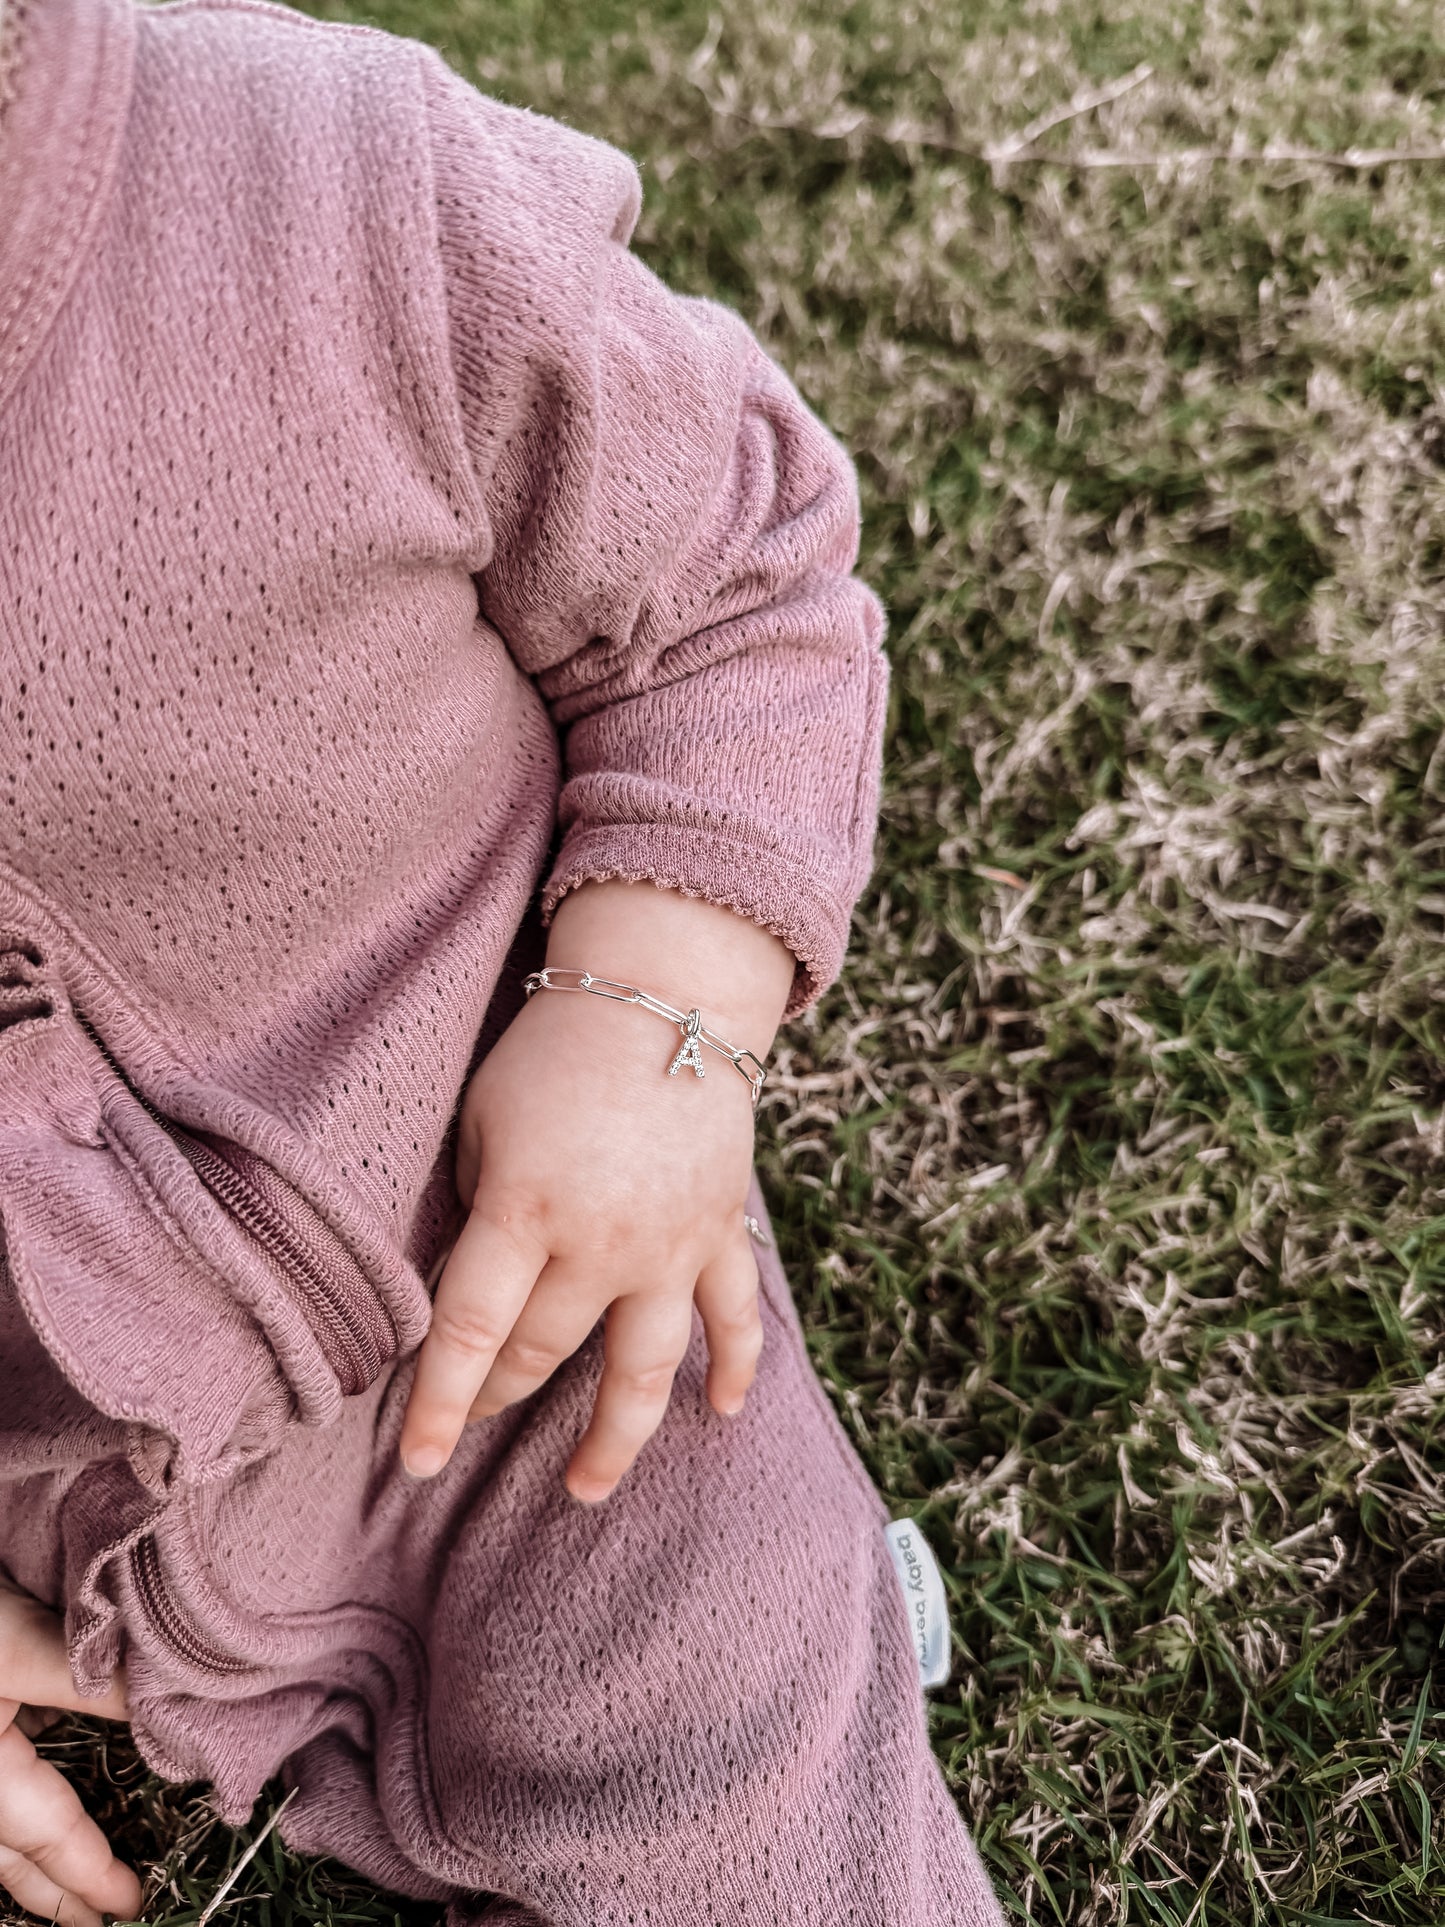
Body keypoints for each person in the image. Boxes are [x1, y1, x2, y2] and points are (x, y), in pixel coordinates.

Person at [0, 0, 1008, 1920]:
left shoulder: (326, 183)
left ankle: (809, 1651)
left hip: (526, 1315)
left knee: (732, 1774)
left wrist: (658, 1015)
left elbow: (732, 582)